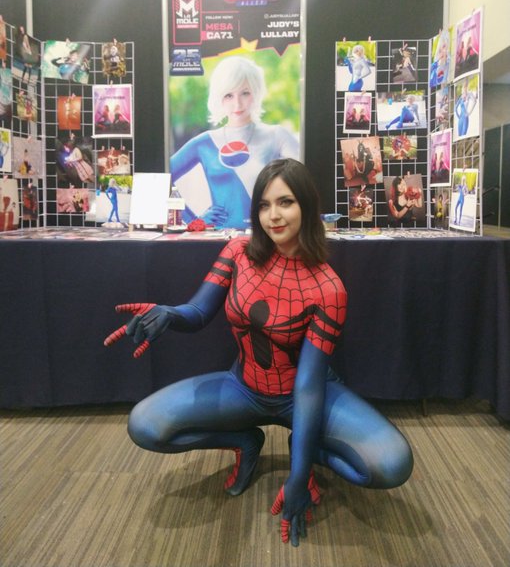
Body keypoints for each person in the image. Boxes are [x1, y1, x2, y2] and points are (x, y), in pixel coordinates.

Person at [104, 158, 413, 547]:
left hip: (305, 394)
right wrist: (169, 313)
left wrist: (298, 475)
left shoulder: (328, 288)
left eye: (285, 202)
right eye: (264, 205)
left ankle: (307, 449)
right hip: (244, 387)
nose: (273, 216)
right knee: (145, 425)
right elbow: (198, 312)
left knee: (392, 464)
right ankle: (245, 441)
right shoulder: (238, 251)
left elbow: (308, 387)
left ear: (307, 206)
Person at [169, 56, 299, 229]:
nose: (237, 103)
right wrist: (194, 221)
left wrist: (285, 215)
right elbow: (159, 180)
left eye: (245, 93)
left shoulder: (277, 135)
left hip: (266, 237)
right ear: (218, 97)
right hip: (218, 238)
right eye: (229, 95)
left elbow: (306, 183)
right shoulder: (204, 143)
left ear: (256, 93)